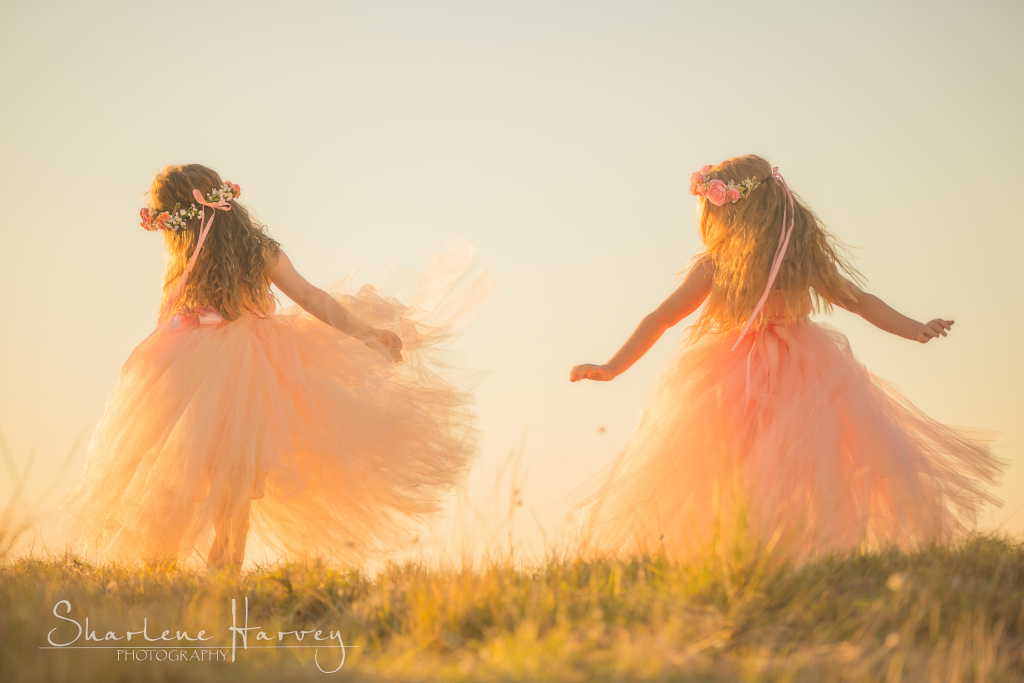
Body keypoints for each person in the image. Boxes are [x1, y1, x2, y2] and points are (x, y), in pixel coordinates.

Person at [569, 154, 1005, 560]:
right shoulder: (715, 265)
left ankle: (804, 549)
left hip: (803, 370)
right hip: (735, 373)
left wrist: (914, 328)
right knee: (736, 464)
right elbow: (661, 318)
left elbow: (857, 300)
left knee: (806, 463)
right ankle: (744, 549)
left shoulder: (799, 258)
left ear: (733, 209)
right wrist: (612, 366)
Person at [59, 164, 494, 569]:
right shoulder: (194, 260)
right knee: (213, 472)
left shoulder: (254, 252)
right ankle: (187, 565)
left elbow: (310, 297)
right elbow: (307, 296)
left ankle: (219, 570)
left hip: (244, 366)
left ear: (180, 218)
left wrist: (365, 332)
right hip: (197, 367)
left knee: (221, 471)